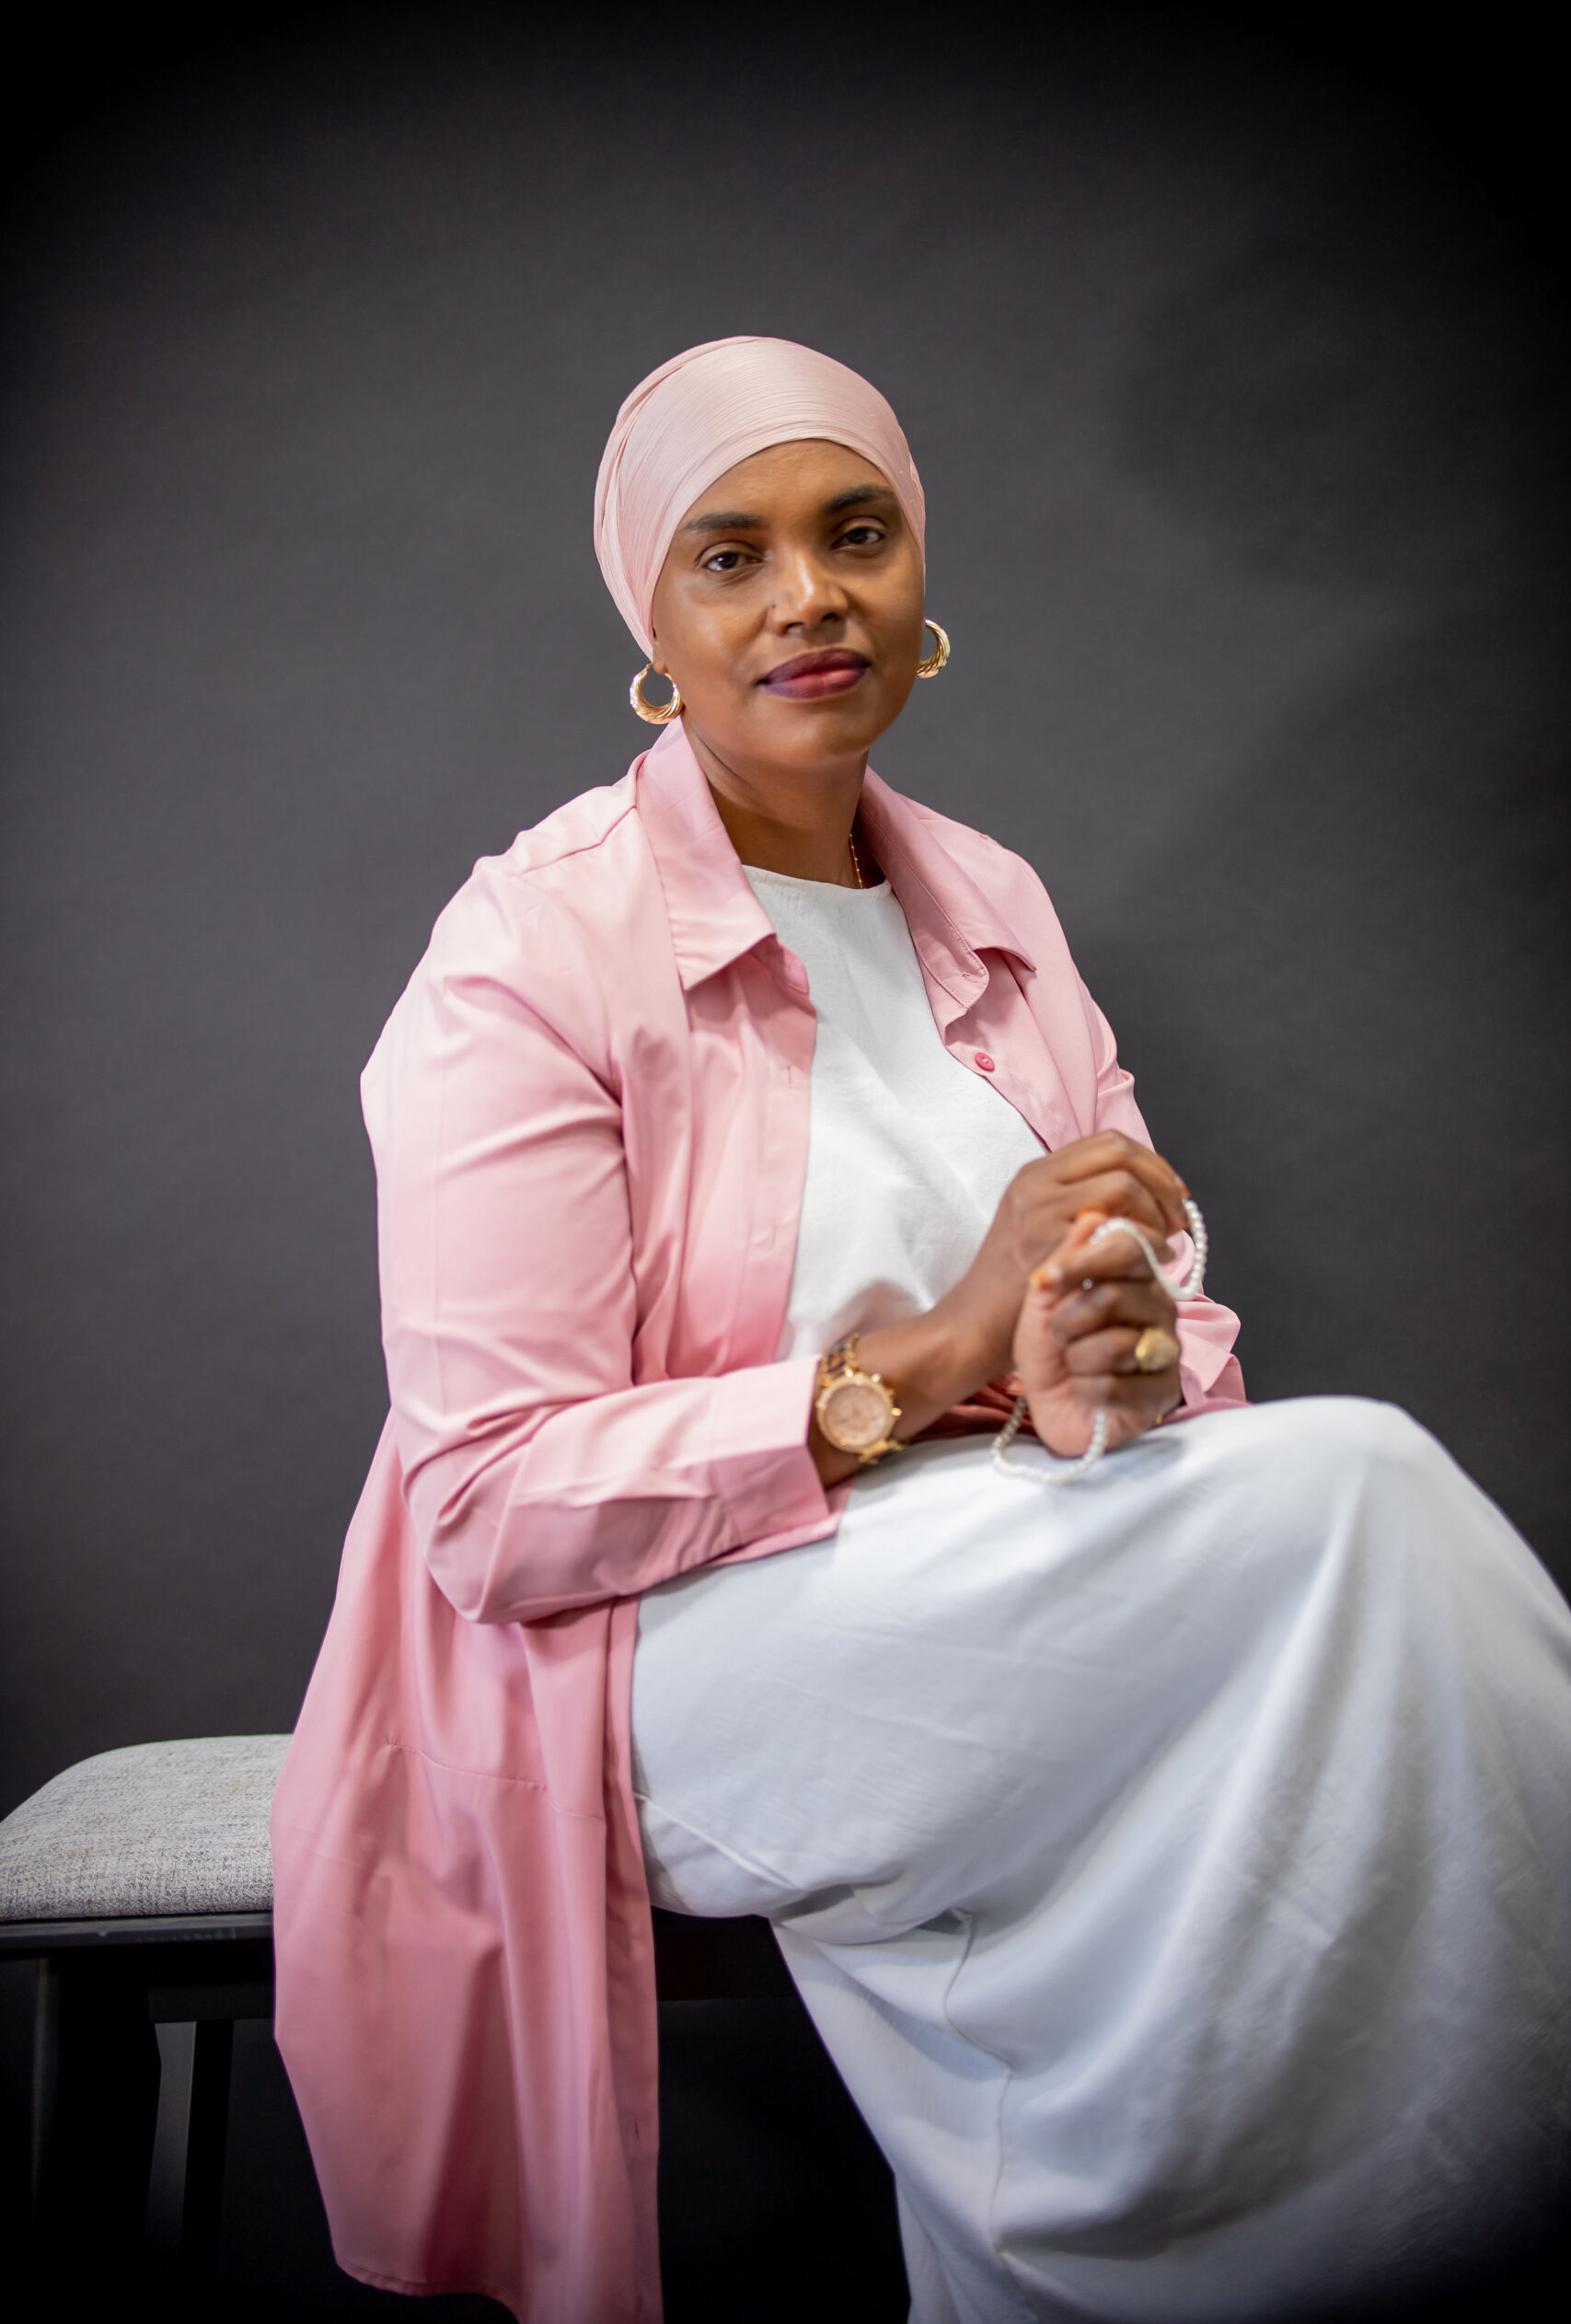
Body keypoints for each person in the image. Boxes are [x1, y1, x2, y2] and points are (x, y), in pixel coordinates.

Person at [271, 337, 1571, 2324]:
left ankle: (1178, 2236)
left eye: (855, 534)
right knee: (1362, 1496)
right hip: (647, 1657)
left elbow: (1167, 1334)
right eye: (732, 555)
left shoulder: (992, 903)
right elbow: (492, 1506)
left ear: (918, 574)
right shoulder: (527, 953)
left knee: (1329, 1549)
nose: (810, 596)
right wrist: (942, 1348)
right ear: (651, 622)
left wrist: (1105, 1369)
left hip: (979, 1580)